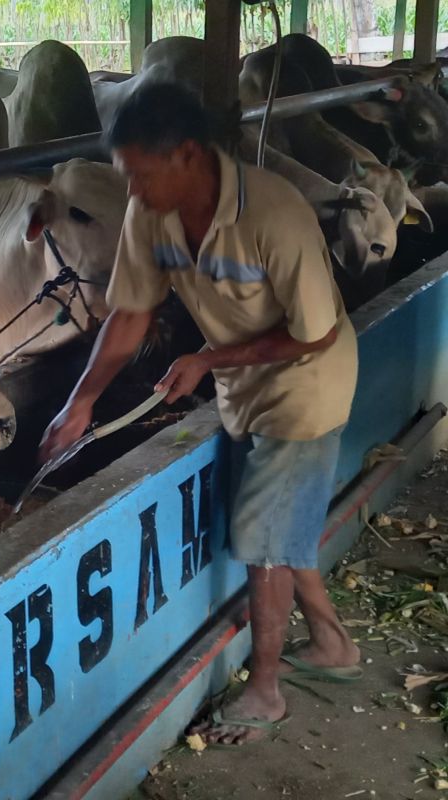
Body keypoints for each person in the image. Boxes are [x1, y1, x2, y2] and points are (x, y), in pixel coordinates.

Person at [39, 83, 361, 746]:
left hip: (308, 381)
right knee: (276, 521)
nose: (131, 191)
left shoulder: (274, 213)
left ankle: (265, 694)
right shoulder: (150, 216)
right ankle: (332, 643)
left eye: (140, 175)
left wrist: (209, 358)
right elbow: (129, 314)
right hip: (244, 383)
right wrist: (82, 402)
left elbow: (317, 334)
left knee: (263, 543)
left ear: (189, 155)